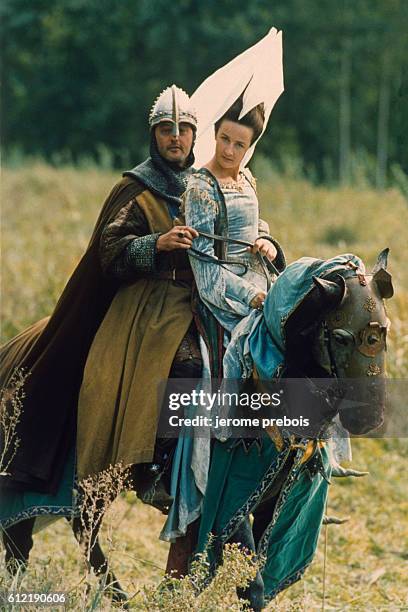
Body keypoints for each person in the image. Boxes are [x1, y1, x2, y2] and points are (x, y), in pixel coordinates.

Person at [0, 84, 201, 527]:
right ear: (154, 135)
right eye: (166, 129)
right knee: (182, 365)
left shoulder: (202, 186)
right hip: (144, 301)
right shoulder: (136, 187)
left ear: (193, 135)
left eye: (183, 129)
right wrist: (157, 243)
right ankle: (153, 466)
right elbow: (109, 252)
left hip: (197, 298)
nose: (175, 137)